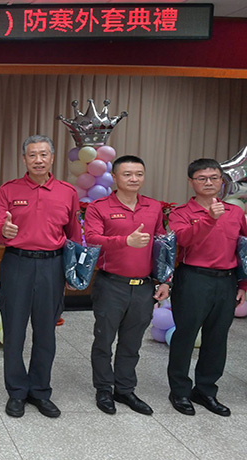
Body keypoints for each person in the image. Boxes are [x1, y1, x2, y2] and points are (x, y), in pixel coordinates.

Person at [0, 135, 81, 418]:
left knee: (46, 332)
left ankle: (40, 391)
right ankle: (17, 392)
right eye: (32, 155)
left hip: (52, 266)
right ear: (24, 159)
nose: (38, 160)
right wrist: (3, 231)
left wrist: (73, 271)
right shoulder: (9, 189)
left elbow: (74, 235)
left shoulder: (67, 192)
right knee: (14, 332)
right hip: (17, 264)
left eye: (43, 154)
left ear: (52, 157)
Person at [84, 155, 170, 415]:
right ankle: (103, 388)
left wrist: (165, 280)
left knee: (132, 343)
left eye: (139, 174)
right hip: (111, 284)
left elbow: (162, 246)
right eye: (127, 174)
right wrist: (125, 241)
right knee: (104, 339)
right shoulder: (99, 207)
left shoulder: (154, 207)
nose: (134, 179)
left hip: (144, 286)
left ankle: (124, 389)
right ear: (114, 177)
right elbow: (91, 238)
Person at [166, 158, 247, 416]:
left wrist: (243, 283)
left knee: (217, 338)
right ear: (191, 182)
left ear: (222, 181)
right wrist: (209, 219)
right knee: (185, 336)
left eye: (214, 178)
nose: (209, 182)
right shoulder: (180, 213)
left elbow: (243, 250)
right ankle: (179, 391)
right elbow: (182, 240)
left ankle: (205, 390)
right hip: (193, 279)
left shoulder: (235, 212)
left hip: (226, 281)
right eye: (202, 178)